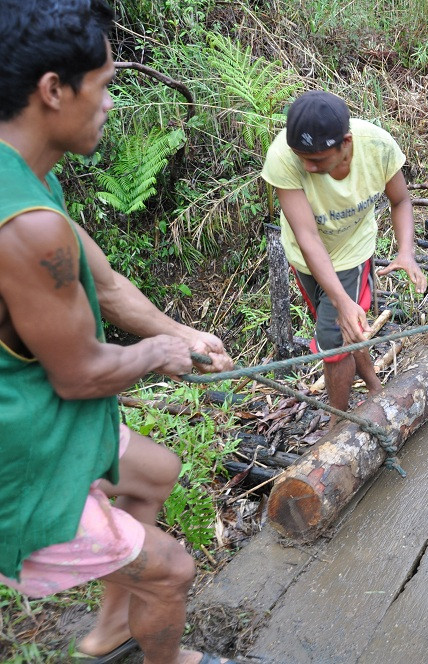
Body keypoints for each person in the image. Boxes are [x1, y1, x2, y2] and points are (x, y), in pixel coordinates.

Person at [0, 2, 237, 663]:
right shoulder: (25, 225)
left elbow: (102, 284)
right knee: (172, 571)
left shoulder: (25, 177)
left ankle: (114, 630)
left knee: (154, 472)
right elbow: (79, 377)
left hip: (30, 419)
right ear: (53, 89)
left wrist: (180, 332)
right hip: (15, 460)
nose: (110, 103)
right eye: (103, 86)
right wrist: (160, 354)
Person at [262, 90, 426, 412]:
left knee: (334, 343)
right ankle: (376, 387)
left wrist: (406, 251)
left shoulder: (377, 147)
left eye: (317, 159)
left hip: (352, 252)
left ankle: (340, 423)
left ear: (346, 143)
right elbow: (307, 237)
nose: (307, 167)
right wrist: (340, 302)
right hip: (305, 257)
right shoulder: (282, 157)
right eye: (301, 158)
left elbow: (401, 200)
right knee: (345, 329)